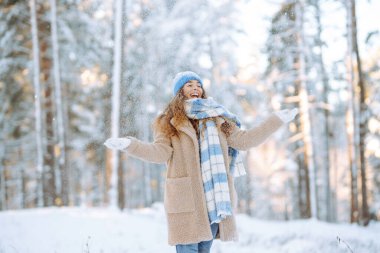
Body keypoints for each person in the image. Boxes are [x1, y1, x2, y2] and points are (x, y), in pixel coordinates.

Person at [104, 71, 298, 253]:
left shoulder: (218, 119)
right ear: (179, 92)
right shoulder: (169, 121)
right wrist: (130, 145)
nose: (196, 88)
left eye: (198, 85)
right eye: (189, 85)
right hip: (186, 201)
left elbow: (245, 140)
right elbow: (159, 153)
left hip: (213, 202)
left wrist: (276, 120)